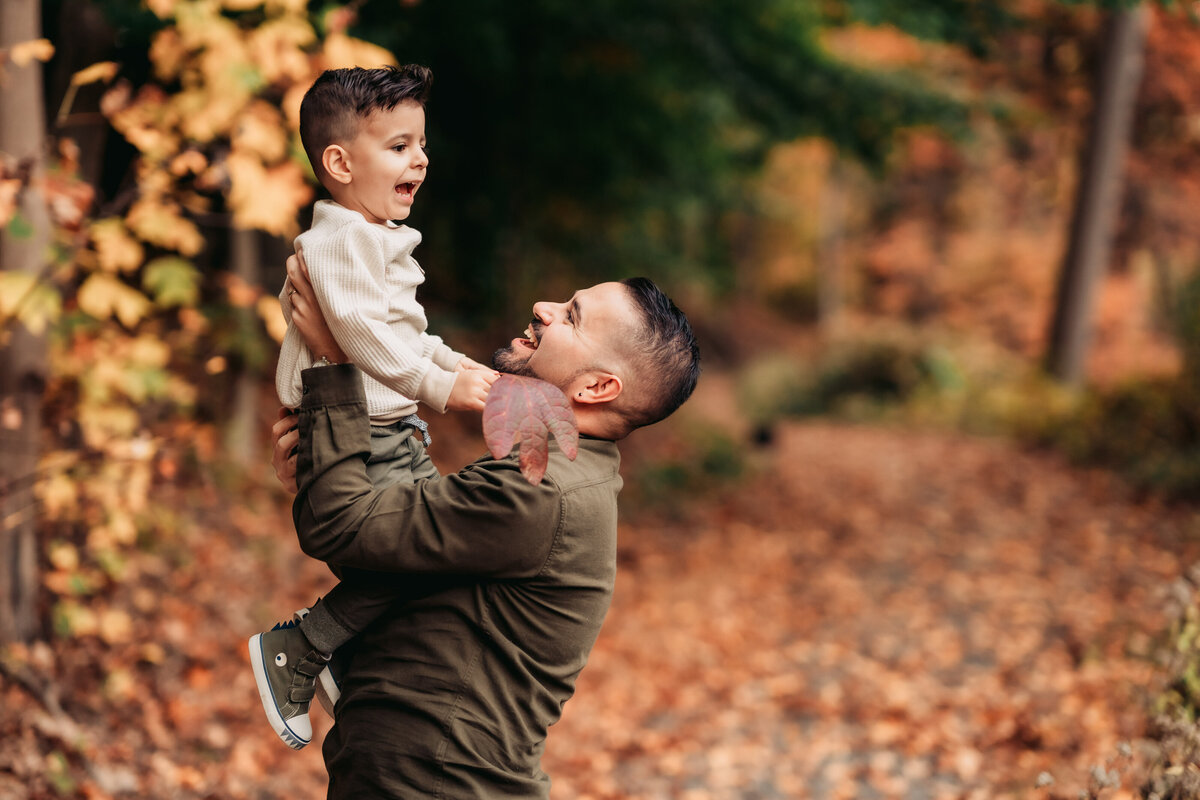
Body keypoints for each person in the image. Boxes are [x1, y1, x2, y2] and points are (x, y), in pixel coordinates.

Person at [269, 252, 700, 798]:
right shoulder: (557, 474)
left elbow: (347, 529)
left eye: (572, 316)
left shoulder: (542, 492)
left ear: (596, 388)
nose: (544, 308)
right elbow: (394, 545)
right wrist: (320, 477)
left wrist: (337, 363)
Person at [249, 64, 499, 750]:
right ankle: (299, 649)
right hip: (356, 434)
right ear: (338, 161)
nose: (419, 158)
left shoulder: (372, 235)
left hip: (386, 430)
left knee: (432, 558)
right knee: (427, 553)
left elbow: (405, 334)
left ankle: (338, 658)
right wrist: (440, 388)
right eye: (398, 146)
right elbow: (360, 334)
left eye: (420, 144)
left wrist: (458, 366)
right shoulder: (340, 241)